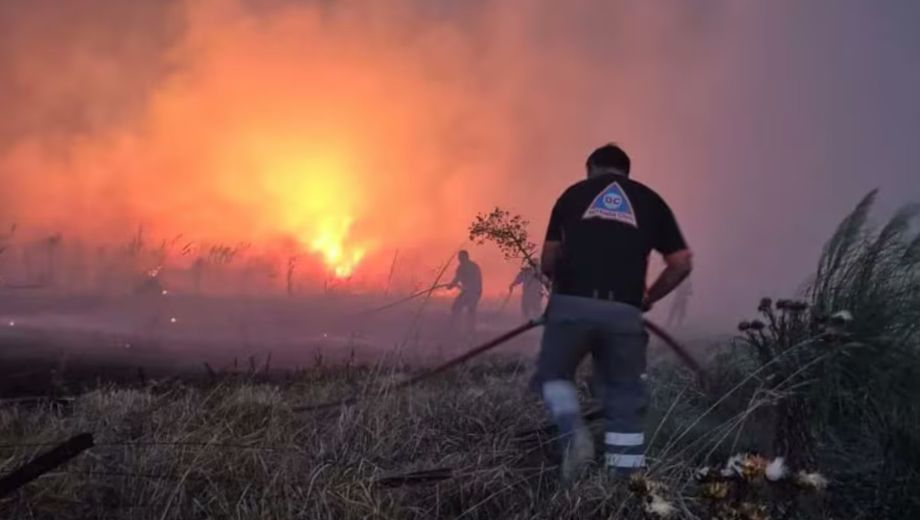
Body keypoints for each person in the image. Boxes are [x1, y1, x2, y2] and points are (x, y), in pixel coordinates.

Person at [536, 143, 692, 483]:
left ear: (590, 168)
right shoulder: (651, 201)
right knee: (624, 395)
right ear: (626, 171)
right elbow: (681, 263)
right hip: (624, 312)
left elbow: (548, 259)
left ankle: (573, 433)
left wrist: (559, 288)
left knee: (553, 375)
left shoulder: (571, 196)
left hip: (571, 305)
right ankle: (623, 484)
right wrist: (648, 298)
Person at [446, 250, 483, 334]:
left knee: (469, 309)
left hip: (474, 292)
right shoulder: (461, 268)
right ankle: (458, 327)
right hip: (468, 291)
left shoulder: (473, 267)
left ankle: (469, 329)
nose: (459, 259)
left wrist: (452, 285)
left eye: (461, 257)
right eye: (459, 258)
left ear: (466, 257)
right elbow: (457, 279)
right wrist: (451, 286)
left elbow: (477, 280)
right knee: (456, 307)